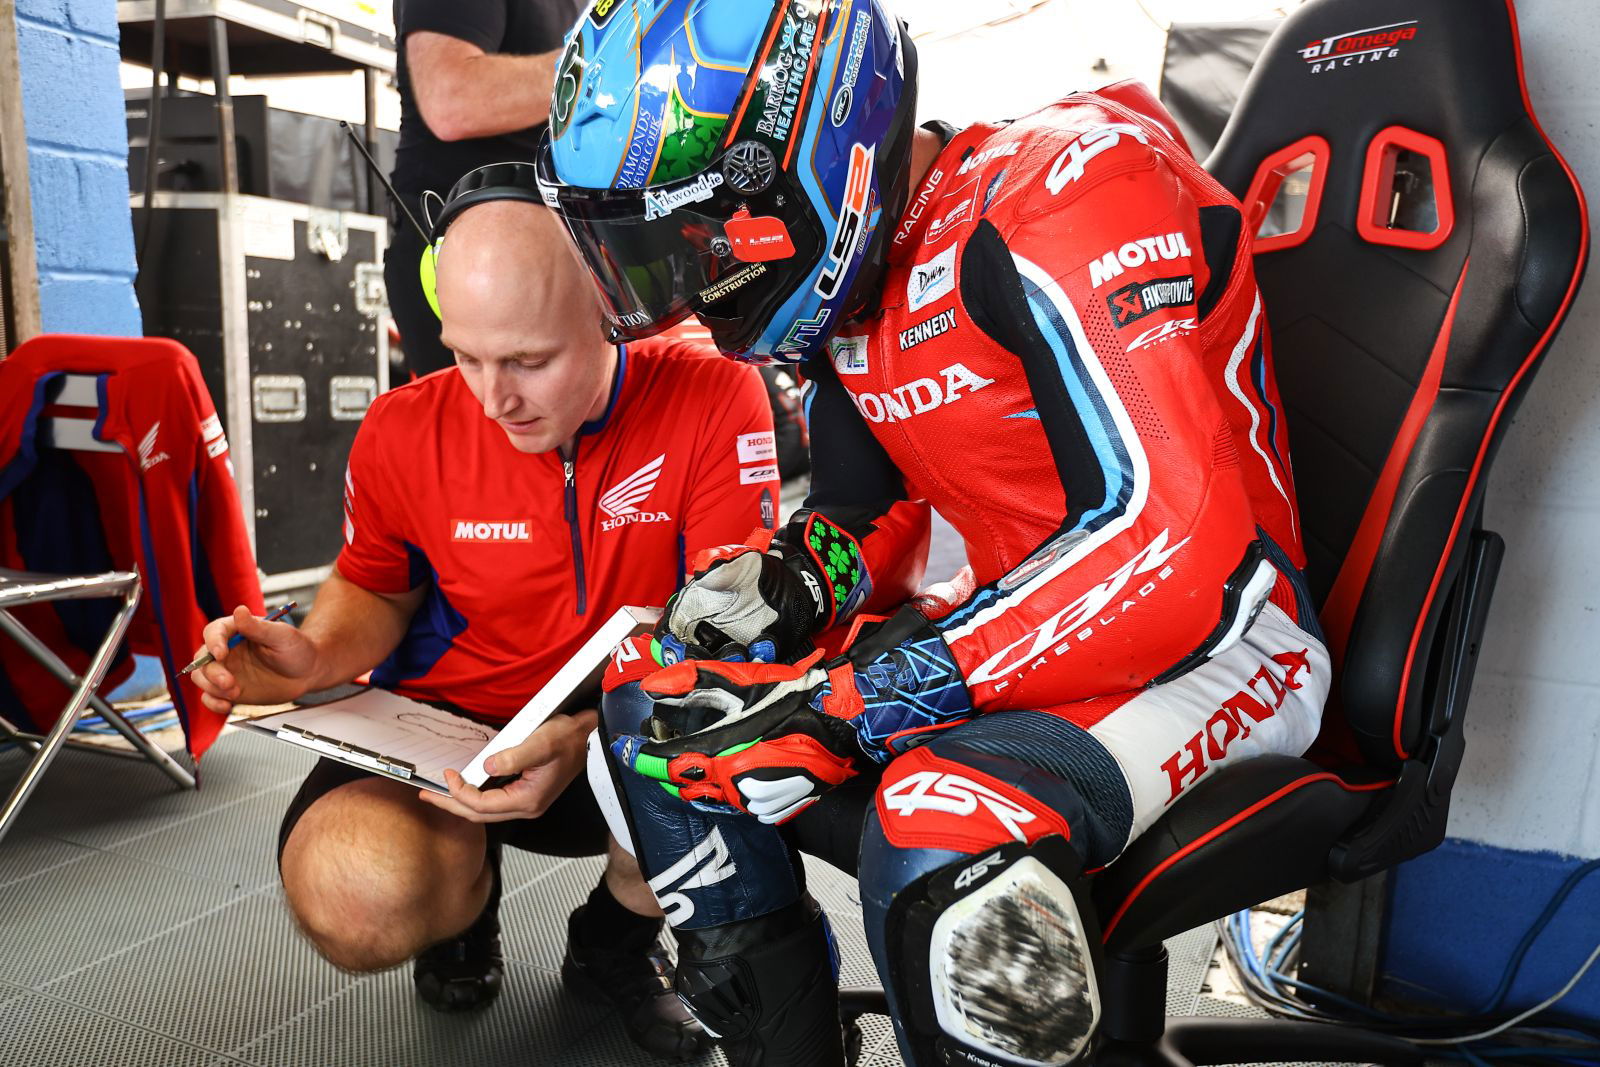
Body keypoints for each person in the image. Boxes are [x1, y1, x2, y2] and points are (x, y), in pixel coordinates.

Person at [540, 2, 1331, 1065]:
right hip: (1026, 631)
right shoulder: (852, 279)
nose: (689, 288)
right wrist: (786, 585)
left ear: (804, 152)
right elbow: (864, 517)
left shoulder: (1067, 190)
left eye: (699, 240)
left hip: (1225, 638)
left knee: (940, 823)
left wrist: (858, 705)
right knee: (657, 699)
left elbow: (1174, 541)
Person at [191, 195, 782, 1061]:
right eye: (465, 356)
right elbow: (375, 588)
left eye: (528, 361)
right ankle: (462, 903)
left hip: (618, 732)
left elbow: (726, 640)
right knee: (352, 897)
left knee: (746, 754)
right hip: (442, 735)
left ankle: (614, 937)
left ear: (614, 311)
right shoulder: (402, 425)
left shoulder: (715, 395)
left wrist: (588, 736)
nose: (494, 397)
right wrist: (313, 654)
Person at [386, 0, 586, 376]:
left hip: (561, 246)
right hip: (468, 254)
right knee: (494, 410)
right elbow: (451, 100)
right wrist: (598, 61)